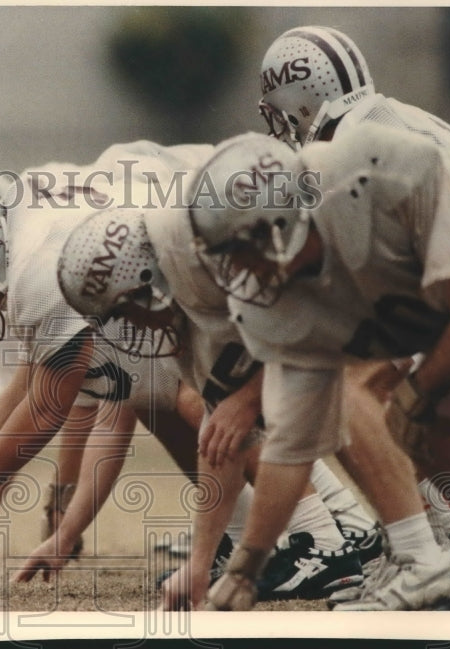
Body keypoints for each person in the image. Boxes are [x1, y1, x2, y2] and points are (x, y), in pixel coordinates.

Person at [0, 143, 370, 605]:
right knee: (163, 392)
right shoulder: (33, 216)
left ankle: (328, 535)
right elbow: (98, 398)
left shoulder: (37, 269)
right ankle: (283, 531)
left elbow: (49, 405)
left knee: (208, 398)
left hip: (234, 237)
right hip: (205, 223)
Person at [190, 124, 450, 611]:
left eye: (237, 251)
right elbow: (291, 446)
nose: (236, 273)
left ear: (276, 225)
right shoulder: (292, 294)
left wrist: (420, 387)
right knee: (416, 421)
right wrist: (247, 567)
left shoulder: (376, 177)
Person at [55, 203, 384, 608]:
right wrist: (200, 563)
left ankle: (425, 549)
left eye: (125, 311)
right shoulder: (184, 305)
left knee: (355, 393)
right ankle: (360, 539)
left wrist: (244, 400)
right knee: (256, 413)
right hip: (348, 305)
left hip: (385, 284)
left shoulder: (213, 272)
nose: (129, 328)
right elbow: (223, 434)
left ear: (147, 284)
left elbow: (316, 331)